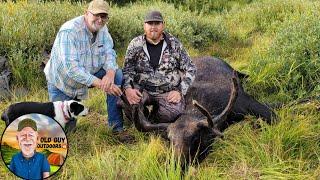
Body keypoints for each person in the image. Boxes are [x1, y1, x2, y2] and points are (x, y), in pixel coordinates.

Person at [44, 0, 123, 132]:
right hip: (63, 83)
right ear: (86, 13)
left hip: (88, 74)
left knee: (118, 75)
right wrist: (102, 83)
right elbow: (72, 69)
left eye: (103, 16)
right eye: (96, 15)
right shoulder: (69, 31)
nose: (100, 19)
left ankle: (116, 127)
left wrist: (109, 74)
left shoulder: (103, 29)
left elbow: (109, 53)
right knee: (64, 132)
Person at [122, 10, 196, 123]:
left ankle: (154, 119)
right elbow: (127, 69)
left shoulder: (174, 44)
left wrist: (180, 91)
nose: (153, 27)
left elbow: (191, 68)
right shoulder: (135, 44)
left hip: (167, 92)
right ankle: (143, 116)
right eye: (150, 23)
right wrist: (128, 88)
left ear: (163, 25)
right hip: (142, 90)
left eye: (157, 23)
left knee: (174, 112)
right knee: (126, 102)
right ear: (144, 26)